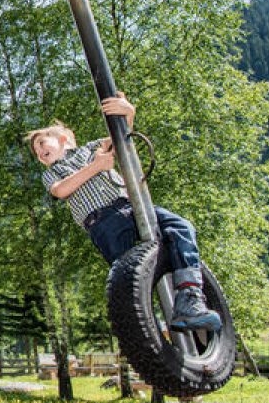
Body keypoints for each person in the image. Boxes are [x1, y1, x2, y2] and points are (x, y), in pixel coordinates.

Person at [27, 92, 220, 332]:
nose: (39, 153)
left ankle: (189, 297)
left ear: (64, 138)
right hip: (101, 222)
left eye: (42, 144)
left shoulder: (91, 149)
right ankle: (149, 327)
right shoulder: (52, 173)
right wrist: (96, 166)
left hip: (130, 205)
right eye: (36, 153)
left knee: (180, 227)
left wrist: (128, 113)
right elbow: (61, 190)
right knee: (130, 274)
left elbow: (120, 137)